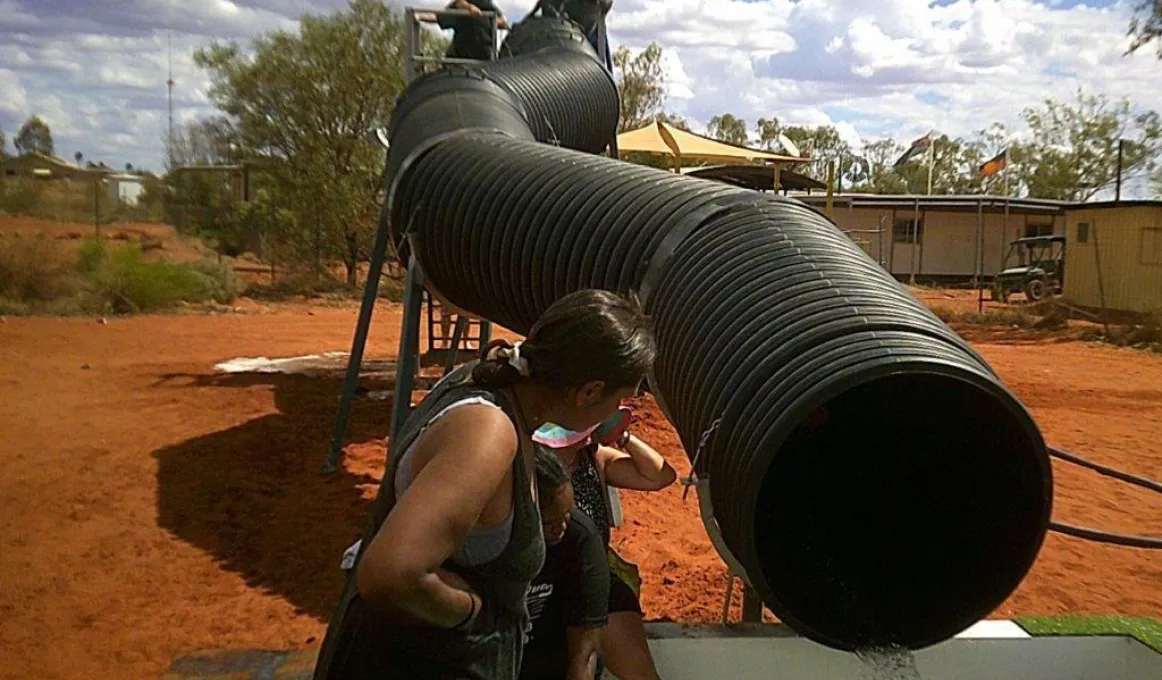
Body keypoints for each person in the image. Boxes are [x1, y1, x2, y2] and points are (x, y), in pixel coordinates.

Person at [312, 289, 656, 680]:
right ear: (590, 391)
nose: (618, 413)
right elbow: (393, 574)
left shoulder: (490, 384)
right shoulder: (487, 431)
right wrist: (479, 612)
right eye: (621, 399)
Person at [549, 418, 676, 680]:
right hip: (545, 582)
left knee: (640, 673)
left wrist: (623, 437)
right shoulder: (528, 464)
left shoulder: (596, 459)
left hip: (594, 578)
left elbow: (660, 475)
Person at [521, 448, 610, 680]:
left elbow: (584, 652)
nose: (561, 527)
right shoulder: (487, 539)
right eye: (550, 521)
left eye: (568, 515)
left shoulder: (580, 540)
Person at [439, 0, 510, 61]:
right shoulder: (458, 5)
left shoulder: (486, 4)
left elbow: (503, 21)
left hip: (483, 54)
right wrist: (469, 7)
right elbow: (440, 18)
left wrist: (486, 21)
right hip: (461, 54)